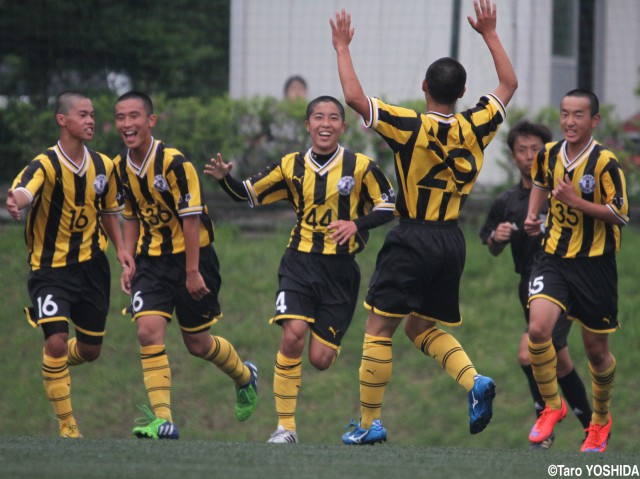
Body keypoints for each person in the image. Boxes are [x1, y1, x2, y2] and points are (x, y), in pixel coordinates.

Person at [331, 0, 518, 445]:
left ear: (424, 87)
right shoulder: (476, 125)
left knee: (379, 328)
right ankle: (474, 382)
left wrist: (341, 46)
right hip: (451, 241)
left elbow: (355, 99)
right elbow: (509, 83)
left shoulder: (411, 126)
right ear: (462, 92)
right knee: (418, 327)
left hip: (413, 236)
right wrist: (490, 33)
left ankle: (370, 423)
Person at [204, 95, 396, 444]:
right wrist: (223, 179)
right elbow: (247, 194)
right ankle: (285, 427)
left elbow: (390, 204)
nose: (325, 123)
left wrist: (357, 223)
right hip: (299, 263)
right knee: (292, 334)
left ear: (343, 126)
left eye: (333, 117)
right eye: (318, 117)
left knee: (320, 359)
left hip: (341, 272)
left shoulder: (361, 166)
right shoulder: (290, 165)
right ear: (308, 125)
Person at [113, 91, 258, 440]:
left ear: (151, 121)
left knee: (198, 344)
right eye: (120, 117)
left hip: (194, 258)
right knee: (147, 330)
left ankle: (244, 376)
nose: (127, 124)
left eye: (134, 116)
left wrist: (192, 272)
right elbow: (131, 215)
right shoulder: (120, 167)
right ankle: (163, 420)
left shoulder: (176, 164)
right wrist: (128, 258)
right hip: (151, 262)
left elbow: (191, 221)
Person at [5, 91, 134, 438]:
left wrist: (122, 249)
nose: (91, 120)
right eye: (82, 115)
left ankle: (53, 362)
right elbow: (25, 191)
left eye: (93, 114)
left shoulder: (104, 165)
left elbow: (109, 210)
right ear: (62, 120)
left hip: (92, 267)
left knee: (91, 350)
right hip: (50, 270)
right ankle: (67, 425)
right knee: (58, 339)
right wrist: (15, 201)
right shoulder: (45, 164)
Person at [524, 89, 628, 453]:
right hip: (552, 258)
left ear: (594, 121)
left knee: (597, 353)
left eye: (578, 115)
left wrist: (576, 202)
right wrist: (532, 215)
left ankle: (600, 421)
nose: (569, 121)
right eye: (565, 114)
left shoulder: (605, 162)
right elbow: (539, 180)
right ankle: (553, 405)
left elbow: (620, 213)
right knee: (538, 330)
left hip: (595, 266)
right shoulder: (549, 154)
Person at [479, 120, 592, 449]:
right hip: (529, 285)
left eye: (536, 150)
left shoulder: (563, 192)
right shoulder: (506, 201)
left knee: (530, 354)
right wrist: (496, 239)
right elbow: (491, 241)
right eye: (521, 150)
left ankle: (546, 423)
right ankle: (593, 426)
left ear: (549, 151)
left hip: (565, 282)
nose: (529, 156)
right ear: (512, 156)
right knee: (560, 361)